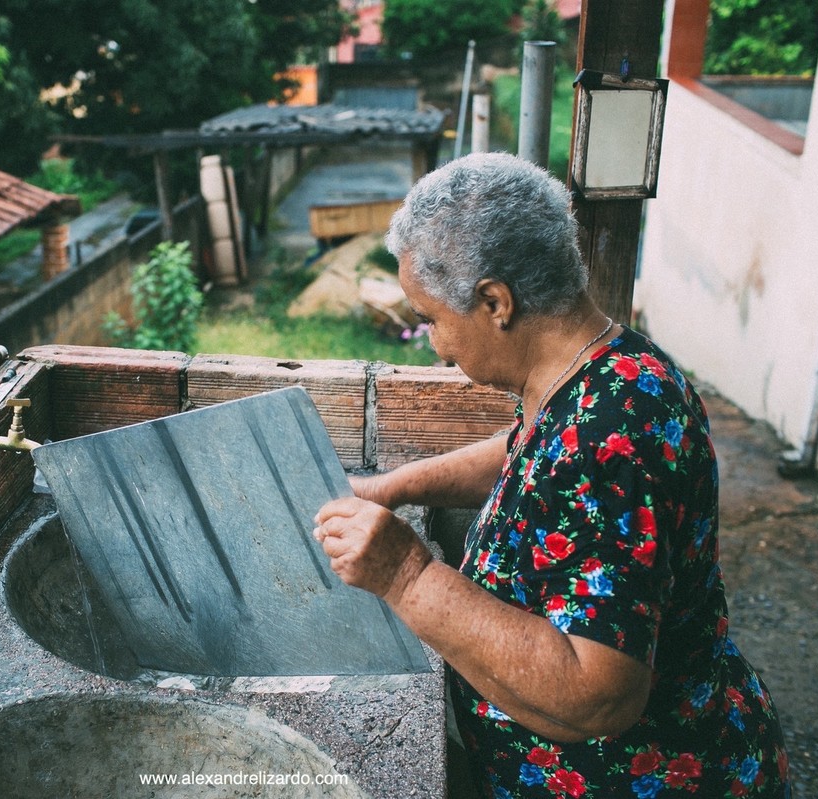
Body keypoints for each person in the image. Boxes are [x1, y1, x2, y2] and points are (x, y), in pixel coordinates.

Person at [313, 153, 789, 798]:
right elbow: (532, 448)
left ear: (494, 302)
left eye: (432, 319)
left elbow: (598, 697)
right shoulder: (611, 367)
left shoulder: (610, 437)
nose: (432, 341)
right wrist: (392, 487)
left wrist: (407, 575)